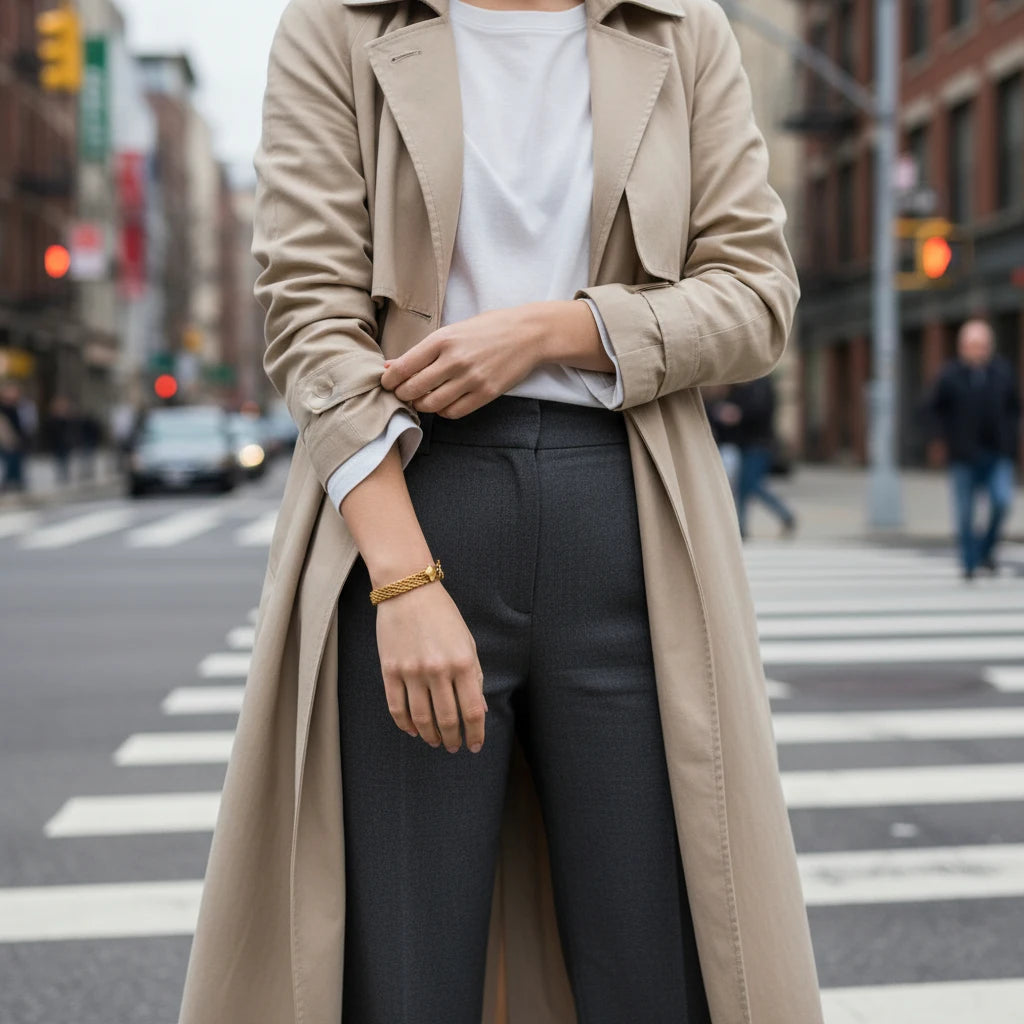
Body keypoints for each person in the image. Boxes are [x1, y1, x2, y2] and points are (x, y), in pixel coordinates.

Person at [179, 1, 823, 1022]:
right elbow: (309, 312)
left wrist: (555, 330)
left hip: (630, 520)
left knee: (652, 965)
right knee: (408, 974)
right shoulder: (338, 24)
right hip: (409, 499)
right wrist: (402, 581)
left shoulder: (679, 27)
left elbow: (755, 295)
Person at [927, 318, 1021, 579]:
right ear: (962, 347)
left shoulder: (1002, 372)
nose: (978, 351)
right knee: (965, 513)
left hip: (997, 453)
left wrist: (1011, 439)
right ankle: (969, 563)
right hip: (963, 455)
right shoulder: (950, 376)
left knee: (1002, 501)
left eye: (982, 345)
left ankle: (986, 551)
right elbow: (933, 411)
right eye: (973, 345)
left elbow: (1014, 408)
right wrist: (940, 439)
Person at [713, 376, 796, 540]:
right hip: (744, 444)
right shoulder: (739, 383)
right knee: (744, 486)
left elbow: (759, 411)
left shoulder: (760, 385)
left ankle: (784, 514)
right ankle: (741, 527)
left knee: (751, 485)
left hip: (760, 444)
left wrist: (738, 414)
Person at [0, 382, 28, 492]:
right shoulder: (3, 408)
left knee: (17, 461)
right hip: (7, 440)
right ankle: (8, 483)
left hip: (18, 439)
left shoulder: (18, 406)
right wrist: (8, 438)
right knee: (10, 462)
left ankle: (17, 482)